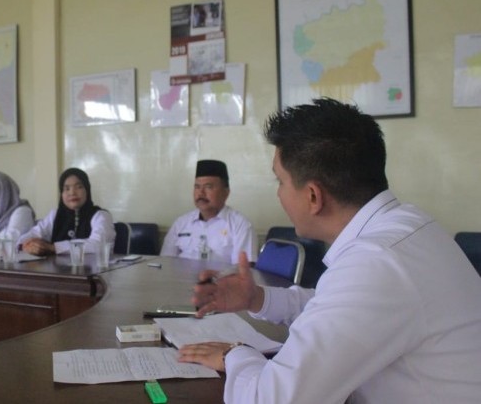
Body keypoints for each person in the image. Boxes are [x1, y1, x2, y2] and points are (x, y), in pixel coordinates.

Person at [178, 98, 481, 403]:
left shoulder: (375, 262)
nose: (279, 193)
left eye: (280, 181)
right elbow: (335, 308)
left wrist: (234, 353)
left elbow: (272, 399)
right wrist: (257, 298)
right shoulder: (407, 226)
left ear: (313, 196)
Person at [160, 159, 257, 263]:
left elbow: (242, 270)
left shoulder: (240, 225)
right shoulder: (181, 223)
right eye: (197, 187)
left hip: (221, 274)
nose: (201, 193)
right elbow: (165, 263)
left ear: (226, 193)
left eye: (208, 187)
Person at [18, 167, 115, 256]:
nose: (72, 193)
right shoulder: (55, 215)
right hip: (58, 269)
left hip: (92, 269)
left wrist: (53, 247)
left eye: (79, 187)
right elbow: (35, 233)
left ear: (87, 190)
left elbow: (98, 244)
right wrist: (26, 244)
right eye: (67, 189)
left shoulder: (100, 215)